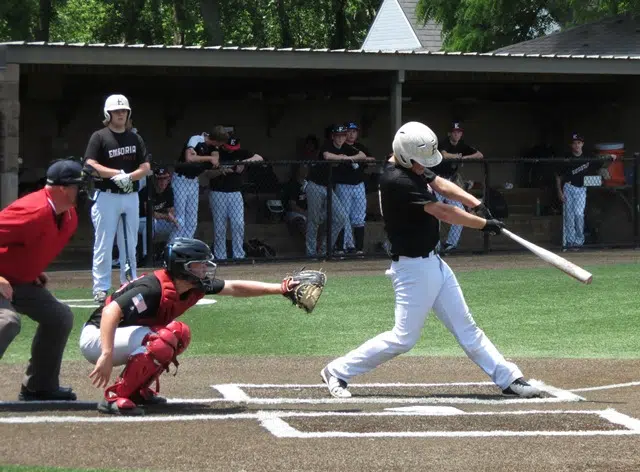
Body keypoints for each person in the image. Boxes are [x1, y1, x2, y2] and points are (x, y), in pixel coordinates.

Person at [320, 121, 541, 400]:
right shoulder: (396, 180)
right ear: (403, 156)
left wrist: (473, 202)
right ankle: (337, 370)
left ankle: (509, 378)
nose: (422, 167)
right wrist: (483, 223)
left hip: (433, 262)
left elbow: (439, 183)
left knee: (466, 327)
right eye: (419, 163)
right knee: (404, 338)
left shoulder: (410, 165)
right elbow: (443, 211)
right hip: (413, 268)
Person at [79, 237, 321, 415]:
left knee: (179, 334)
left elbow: (235, 287)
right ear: (183, 266)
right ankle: (115, 396)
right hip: (98, 339)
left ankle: (136, 390)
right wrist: (107, 354)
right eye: (199, 264)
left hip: (123, 336)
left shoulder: (192, 285)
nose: (205, 268)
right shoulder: (152, 288)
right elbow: (111, 311)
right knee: (164, 338)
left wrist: (278, 289)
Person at [0, 159, 94, 401]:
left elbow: (33, 245)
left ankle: (38, 386)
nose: (83, 191)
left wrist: (32, 270)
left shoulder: (68, 215)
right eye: (79, 186)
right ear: (62, 188)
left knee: (59, 317)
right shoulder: (34, 211)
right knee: (7, 321)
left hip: (19, 281)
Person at [84, 94, 151, 303]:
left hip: (130, 195)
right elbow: (90, 164)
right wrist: (115, 173)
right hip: (107, 196)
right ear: (108, 114)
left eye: (124, 111)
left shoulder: (135, 137)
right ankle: (101, 288)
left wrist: (129, 177)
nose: (121, 114)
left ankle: (128, 283)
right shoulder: (100, 136)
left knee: (130, 242)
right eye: (116, 111)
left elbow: (146, 167)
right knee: (103, 243)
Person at [431, 121, 484, 255]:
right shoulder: (444, 142)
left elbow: (479, 155)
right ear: (450, 133)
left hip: (450, 182)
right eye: (455, 132)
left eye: (459, 132)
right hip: (436, 181)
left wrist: (464, 157)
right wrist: (458, 156)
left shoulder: (462, 145)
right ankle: (434, 245)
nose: (457, 134)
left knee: (460, 211)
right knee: (435, 214)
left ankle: (450, 244)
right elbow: (444, 155)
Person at [555, 133, 614, 251]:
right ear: (571, 145)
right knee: (569, 216)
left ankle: (579, 241)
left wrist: (612, 157)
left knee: (579, 215)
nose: (576, 145)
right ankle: (570, 242)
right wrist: (559, 192)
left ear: (582, 144)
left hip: (581, 189)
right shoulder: (567, 158)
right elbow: (558, 176)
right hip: (568, 188)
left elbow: (603, 162)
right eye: (574, 143)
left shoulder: (588, 157)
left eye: (578, 143)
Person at [207, 135, 263, 260]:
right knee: (220, 227)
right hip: (218, 192)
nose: (231, 150)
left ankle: (239, 255)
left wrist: (243, 163)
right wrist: (222, 171)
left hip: (235, 192)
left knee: (238, 223)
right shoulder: (216, 153)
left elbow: (259, 157)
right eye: (229, 147)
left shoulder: (241, 152)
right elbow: (208, 174)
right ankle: (220, 257)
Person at [305, 124, 353, 257]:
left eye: (343, 135)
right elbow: (327, 156)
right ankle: (311, 253)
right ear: (333, 136)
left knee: (340, 217)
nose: (340, 139)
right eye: (337, 136)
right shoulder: (327, 145)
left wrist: (349, 157)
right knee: (313, 221)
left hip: (329, 188)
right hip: (315, 185)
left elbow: (363, 155)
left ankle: (324, 250)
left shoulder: (346, 147)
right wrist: (344, 157)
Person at [333, 121, 376, 254]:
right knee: (343, 216)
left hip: (358, 184)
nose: (352, 134)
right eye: (349, 132)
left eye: (354, 131)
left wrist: (361, 159)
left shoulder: (360, 147)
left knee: (358, 217)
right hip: (343, 185)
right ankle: (341, 247)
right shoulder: (340, 146)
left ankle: (358, 249)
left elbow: (372, 160)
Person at [172, 130, 220, 240]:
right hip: (181, 179)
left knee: (192, 220)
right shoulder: (197, 139)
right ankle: (173, 248)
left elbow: (216, 158)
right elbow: (189, 158)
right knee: (180, 219)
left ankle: (185, 247)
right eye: (219, 143)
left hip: (193, 181)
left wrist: (213, 156)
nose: (219, 146)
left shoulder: (213, 148)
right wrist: (209, 158)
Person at [139, 167, 178, 262]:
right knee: (151, 223)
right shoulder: (147, 190)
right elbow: (150, 213)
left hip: (158, 221)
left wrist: (172, 218)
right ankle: (146, 256)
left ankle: (168, 253)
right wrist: (166, 216)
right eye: (160, 178)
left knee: (179, 224)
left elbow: (171, 211)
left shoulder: (168, 191)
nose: (163, 181)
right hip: (139, 221)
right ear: (155, 179)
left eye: (165, 178)